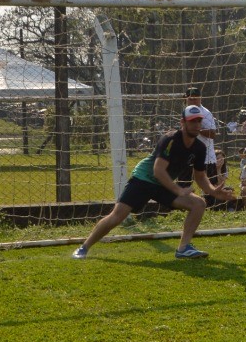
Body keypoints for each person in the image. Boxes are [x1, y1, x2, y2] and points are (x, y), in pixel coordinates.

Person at [73, 110, 232, 260]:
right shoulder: (170, 139)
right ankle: (84, 247)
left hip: (164, 185)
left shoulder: (200, 147)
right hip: (144, 178)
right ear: (182, 123)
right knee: (118, 216)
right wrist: (178, 189)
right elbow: (158, 170)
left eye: (199, 121)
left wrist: (213, 191)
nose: (197, 125)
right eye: (192, 121)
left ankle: (184, 249)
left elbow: (200, 176)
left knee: (198, 204)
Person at [182, 88, 224, 190]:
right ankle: (186, 203)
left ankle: (213, 204)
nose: (193, 100)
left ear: (200, 98)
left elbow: (213, 134)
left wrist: (196, 130)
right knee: (184, 184)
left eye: (195, 98)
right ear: (186, 99)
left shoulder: (206, 113)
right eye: (190, 98)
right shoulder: (185, 111)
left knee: (211, 185)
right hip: (189, 153)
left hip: (206, 156)